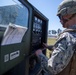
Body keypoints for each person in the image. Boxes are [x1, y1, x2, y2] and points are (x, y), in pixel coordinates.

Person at [35, 0, 76, 75]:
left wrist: (39, 54)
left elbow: (52, 68)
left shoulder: (67, 37)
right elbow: (69, 51)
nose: (60, 20)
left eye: (60, 16)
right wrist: (50, 47)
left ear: (66, 14)